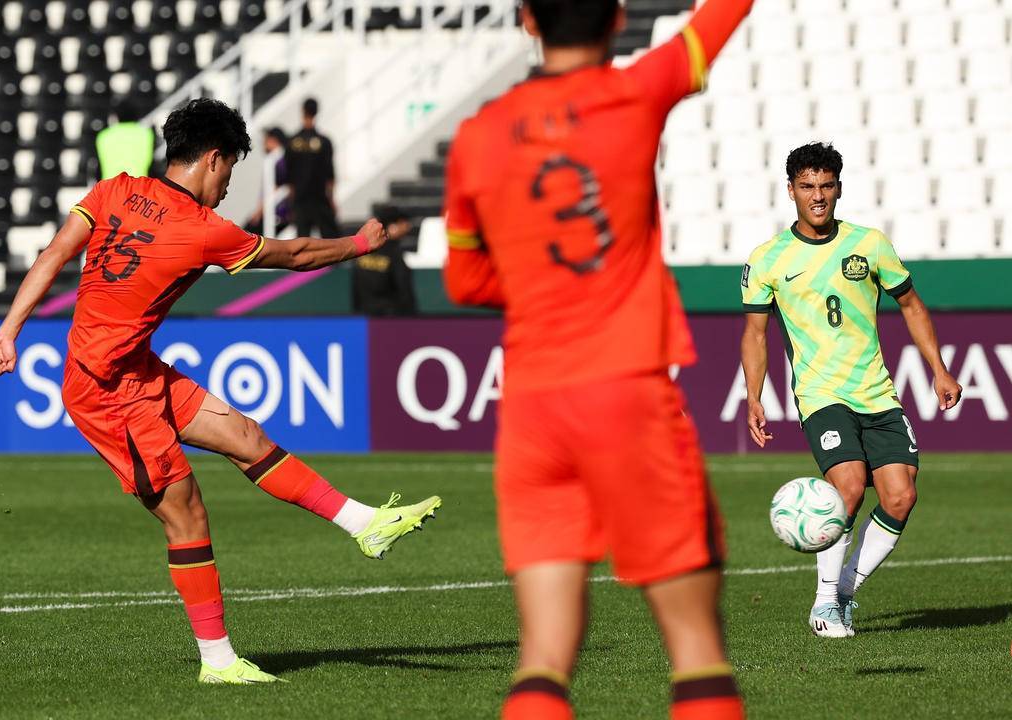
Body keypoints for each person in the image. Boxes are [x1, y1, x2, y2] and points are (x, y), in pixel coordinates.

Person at [0, 98, 442, 684]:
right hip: (107, 391)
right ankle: (218, 662)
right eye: (231, 171)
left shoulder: (115, 189)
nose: (227, 187)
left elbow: (53, 254)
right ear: (214, 158)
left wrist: (8, 330)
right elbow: (296, 254)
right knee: (187, 516)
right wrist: (357, 244)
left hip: (136, 369)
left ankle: (363, 523)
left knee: (245, 436)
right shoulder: (203, 229)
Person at [443, 0, 752, 718]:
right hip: (625, 394)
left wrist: (537, 283)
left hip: (533, 410)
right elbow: (724, 14)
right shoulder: (635, 93)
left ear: (527, 20)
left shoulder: (476, 136)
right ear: (618, 17)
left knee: (541, 661)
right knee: (696, 651)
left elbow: (463, 280)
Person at [739, 142, 961, 638]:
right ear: (791, 191)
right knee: (849, 487)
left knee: (901, 497)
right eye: (807, 186)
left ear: (839, 188)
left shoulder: (870, 244)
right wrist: (754, 395)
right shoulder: (769, 258)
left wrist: (939, 369)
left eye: (826, 185)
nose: (817, 196)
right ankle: (824, 606)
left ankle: (841, 592)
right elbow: (755, 334)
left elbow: (911, 305)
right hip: (821, 394)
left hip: (876, 392)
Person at [352, 204, 418, 315]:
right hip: (391, 317)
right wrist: (411, 316)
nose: (407, 226)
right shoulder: (394, 253)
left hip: (365, 315)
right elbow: (404, 289)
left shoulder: (364, 252)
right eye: (402, 222)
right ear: (392, 226)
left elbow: (355, 289)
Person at [287, 97, 338, 238]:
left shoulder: (292, 142)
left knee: (303, 240)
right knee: (330, 240)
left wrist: (292, 203)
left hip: (300, 199)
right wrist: (332, 200)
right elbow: (330, 175)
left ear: (303, 111)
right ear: (316, 112)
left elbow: (289, 177)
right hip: (320, 198)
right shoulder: (324, 142)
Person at [245, 127, 292, 235]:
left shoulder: (279, 160)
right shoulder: (275, 159)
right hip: (270, 211)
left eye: (266, 139)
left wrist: (260, 211)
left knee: (247, 234)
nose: (263, 142)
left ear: (274, 140)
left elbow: (276, 189)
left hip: (276, 213)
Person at [96, 98, 155, 180]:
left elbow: (98, 168)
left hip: (111, 185)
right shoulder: (146, 134)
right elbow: (152, 166)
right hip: (139, 185)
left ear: (116, 116)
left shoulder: (104, 135)